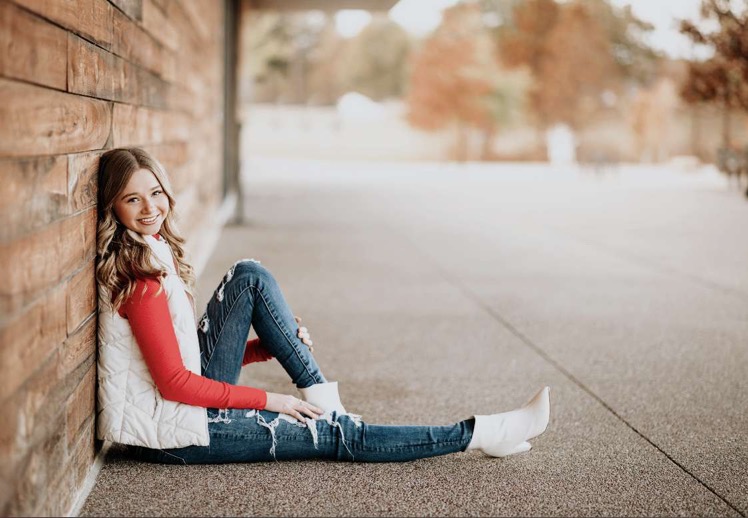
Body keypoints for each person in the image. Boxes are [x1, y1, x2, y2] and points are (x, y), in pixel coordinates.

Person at [95, 147, 551, 465]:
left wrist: (261, 350)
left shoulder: (151, 249)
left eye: (155, 192)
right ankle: (487, 432)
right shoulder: (141, 279)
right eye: (132, 198)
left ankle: (326, 403)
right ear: (113, 207)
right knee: (336, 435)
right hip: (174, 434)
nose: (150, 207)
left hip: (176, 410)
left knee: (248, 276)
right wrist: (273, 401)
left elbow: (179, 358)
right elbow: (175, 384)